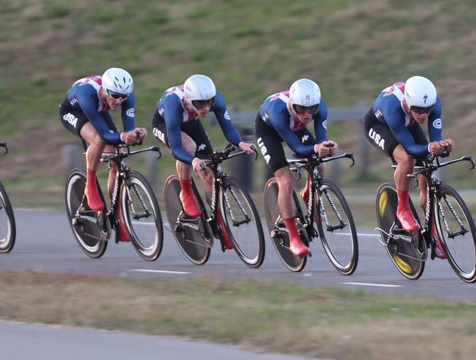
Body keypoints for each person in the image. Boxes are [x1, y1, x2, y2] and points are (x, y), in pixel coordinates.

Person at [152, 74, 255, 248]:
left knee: (210, 172)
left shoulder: (213, 101)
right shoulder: (173, 105)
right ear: (189, 100)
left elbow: (228, 128)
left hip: (191, 122)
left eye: (209, 102)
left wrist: (241, 143)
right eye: (200, 104)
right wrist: (193, 161)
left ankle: (218, 222)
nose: (206, 108)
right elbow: (177, 149)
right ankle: (185, 191)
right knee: (190, 148)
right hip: (165, 124)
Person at [362, 75, 454, 259]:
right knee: (406, 159)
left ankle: (432, 232)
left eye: (427, 110)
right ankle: (402, 208)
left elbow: (434, 138)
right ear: (407, 101)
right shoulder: (392, 106)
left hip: (407, 122)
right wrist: (429, 147)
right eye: (419, 110)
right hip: (380, 125)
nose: (424, 115)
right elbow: (411, 149)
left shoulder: (432, 104)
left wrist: (440, 145)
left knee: (427, 170)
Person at [59, 68, 147, 241]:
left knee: (116, 158)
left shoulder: (125, 96)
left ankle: (117, 213)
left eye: (124, 97)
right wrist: (122, 136)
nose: (120, 101)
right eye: (115, 96)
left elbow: (128, 129)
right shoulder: (87, 94)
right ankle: (90, 184)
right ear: (105, 90)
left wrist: (135, 133)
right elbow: (106, 135)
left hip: (98, 109)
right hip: (74, 111)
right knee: (98, 140)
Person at [255, 78, 338, 258]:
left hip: (294, 128)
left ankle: (308, 192)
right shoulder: (278, 111)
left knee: (319, 165)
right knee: (286, 180)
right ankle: (293, 237)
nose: (307, 115)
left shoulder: (320, 107)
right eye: (301, 109)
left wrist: (327, 146)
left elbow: (321, 138)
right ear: (292, 105)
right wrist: (316, 147)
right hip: (269, 131)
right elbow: (297, 148)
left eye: (311, 110)